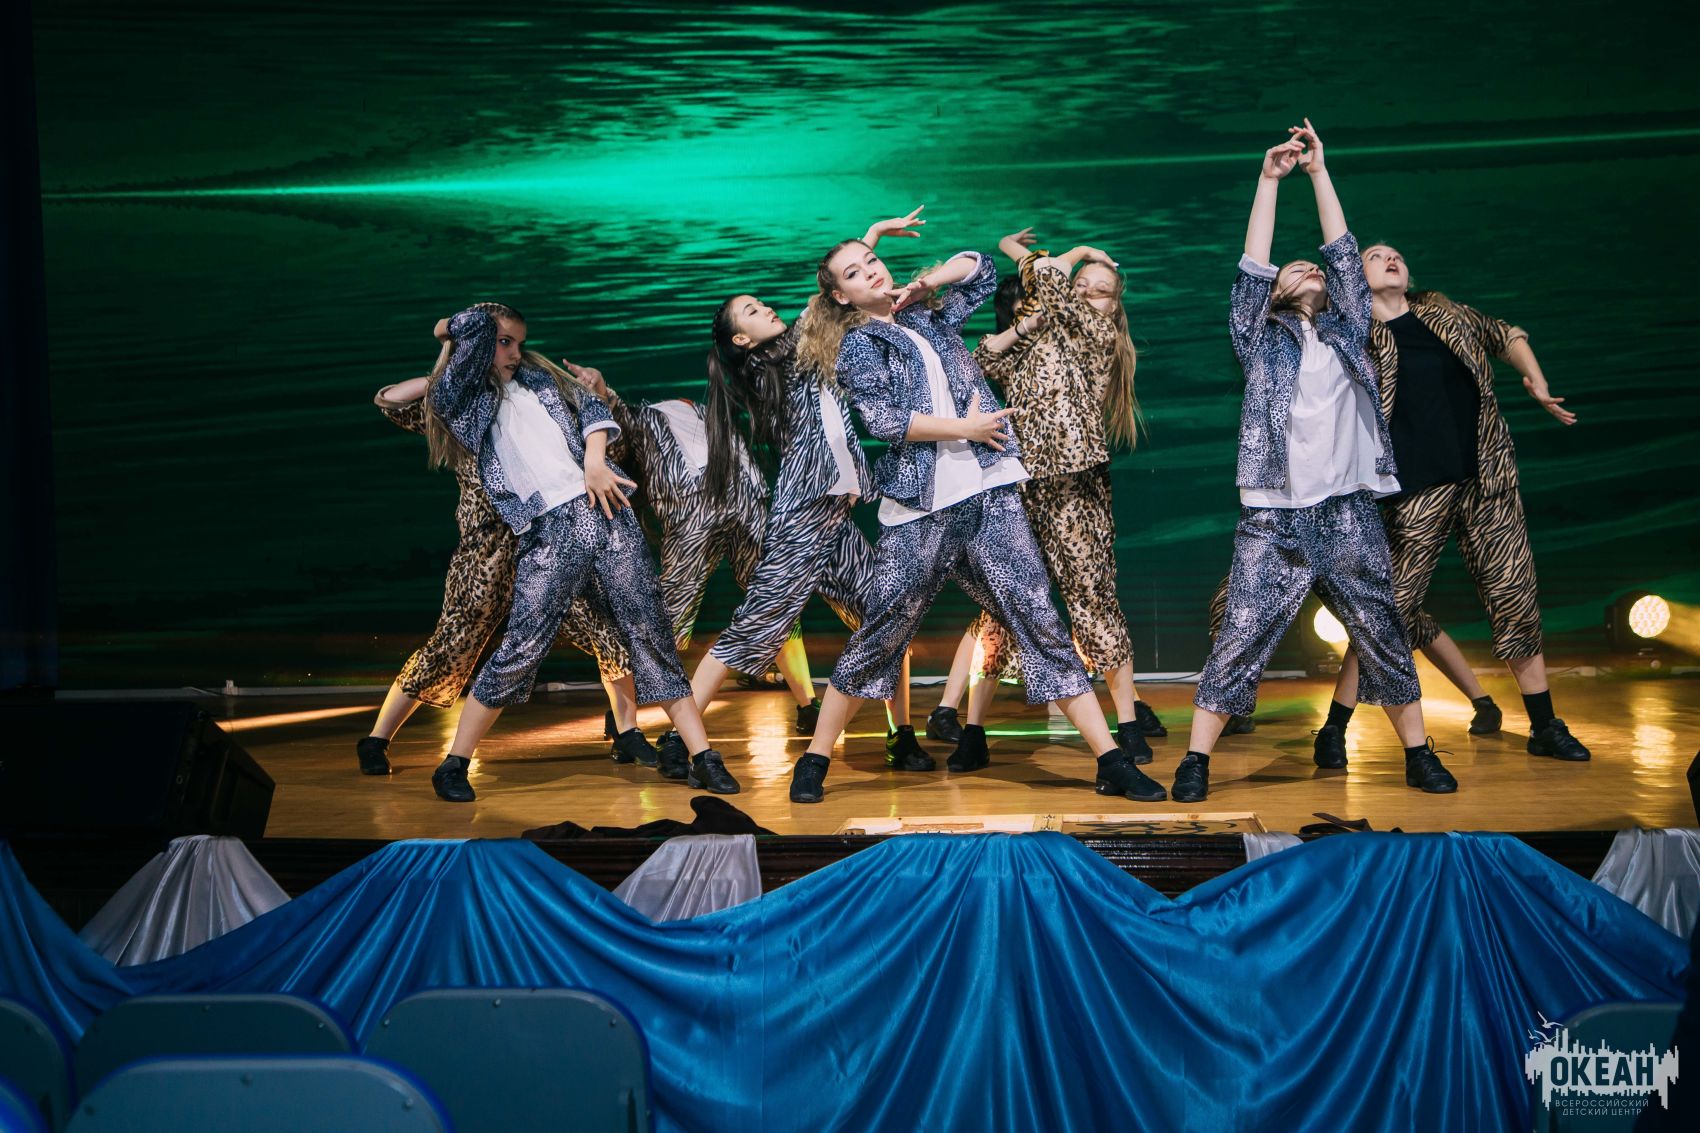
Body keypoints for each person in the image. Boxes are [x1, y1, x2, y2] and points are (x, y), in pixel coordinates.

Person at [785, 231, 1168, 804]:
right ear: (840, 296)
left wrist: (928, 282)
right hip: (923, 506)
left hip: (989, 489)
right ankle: (815, 759)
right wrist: (965, 428)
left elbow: (981, 269)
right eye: (855, 273)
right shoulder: (859, 344)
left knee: (1038, 617)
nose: (872, 271)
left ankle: (1111, 760)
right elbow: (886, 422)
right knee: (883, 631)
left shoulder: (928, 316)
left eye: (872, 261)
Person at [1176, 120, 1451, 804]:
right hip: (1274, 517)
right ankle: (1196, 761)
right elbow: (1253, 263)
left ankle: (1418, 754)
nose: (1310, 269)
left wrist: (1320, 172)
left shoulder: (1348, 327)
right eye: (1294, 270)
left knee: (1381, 629)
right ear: (1273, 295)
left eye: (1316, 270)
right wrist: (1270, 180)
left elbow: (1342, 249)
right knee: (1241, 635)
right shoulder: (1257, 335)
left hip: (1348, 509)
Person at [424, 302, 732, 801]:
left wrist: (594, 461)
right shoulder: (459, 397)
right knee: (523, 645)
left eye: (519, 343)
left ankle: (703, 756)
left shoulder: (540, 380)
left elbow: (593, 409)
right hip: (549, 529)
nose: (515, 353)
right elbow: (468, 329)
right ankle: (454, 763)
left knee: (650, 632)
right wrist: (449, 329)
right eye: (504, 342)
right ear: (474, 343)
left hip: (605, 506)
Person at [1313, 240, 1589, 765]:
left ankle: (1545, 725)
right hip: (1416, 489)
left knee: (1515, 596)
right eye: (1375, 256)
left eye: (1396, 254)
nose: (1390, 258)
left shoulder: (1443, 310)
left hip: (1486, 477)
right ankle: (1333, 729)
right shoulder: (1353, 332)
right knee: (1389, 610)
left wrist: (1535, 378)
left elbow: (1505, 335)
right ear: (1355, 276)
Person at [684, 209, 934, 775]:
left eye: (760, 302)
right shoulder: (772, 361)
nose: (765, 309)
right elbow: (828, 299)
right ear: (742, 339)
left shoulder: (803, 346)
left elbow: (832, 303)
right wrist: (869, 239)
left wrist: (868, 245)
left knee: (886, 613)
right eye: (753, 311)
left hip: (835, 513)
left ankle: (902, 734)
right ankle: (683, 740)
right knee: (753, 629)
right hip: (803, 515)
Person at [356, 354, 653, 777]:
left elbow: (610, 447)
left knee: (605, 629)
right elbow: (390, 401)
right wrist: (449, 370)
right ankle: (377, 738)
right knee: (452, 645)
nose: (508, 356)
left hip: (549, 541)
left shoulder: (540, 396)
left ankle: (627, 731)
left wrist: (600, 394)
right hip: (488, 551)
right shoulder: (460, 407)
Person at [941, 226, 1164, 770]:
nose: (1087, 293)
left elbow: (1048, 278)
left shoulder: (1097, 333)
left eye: (1101, 290)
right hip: (1017, 484)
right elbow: (980, 361)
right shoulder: (1039, 334)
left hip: (1072, 484)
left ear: (1114, 307)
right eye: (1082, 283)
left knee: (1093, 600)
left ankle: (1127, 723)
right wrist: (1026, 321)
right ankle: (974, 730)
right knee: (1003, 606)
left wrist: (1069, 253)